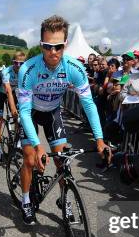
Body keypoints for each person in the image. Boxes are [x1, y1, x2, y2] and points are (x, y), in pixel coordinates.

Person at [17, 15, 111, 225]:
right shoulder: (28, 69)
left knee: (63, 160)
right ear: (41, 45)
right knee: (31, 159)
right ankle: (25, 200)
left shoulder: (74, 68)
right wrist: (37, 145)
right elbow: (23, 112)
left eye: (58, 47)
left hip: (52, 112)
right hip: (31, 112)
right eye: (48, 46)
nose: (53, 52)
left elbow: (88, 104)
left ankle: (65, 199)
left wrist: (99, 139)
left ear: (65, 45)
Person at [0, 51, 24, 162]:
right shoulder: (6, 72)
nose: (18, 66)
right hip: (1, 93)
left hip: (14, 92)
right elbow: (8, 90)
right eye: (16, 63)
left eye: (21, 63)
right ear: (12, 62)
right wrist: (14, 110)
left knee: (19, 119)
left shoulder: (24, 72)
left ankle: (17, 144)